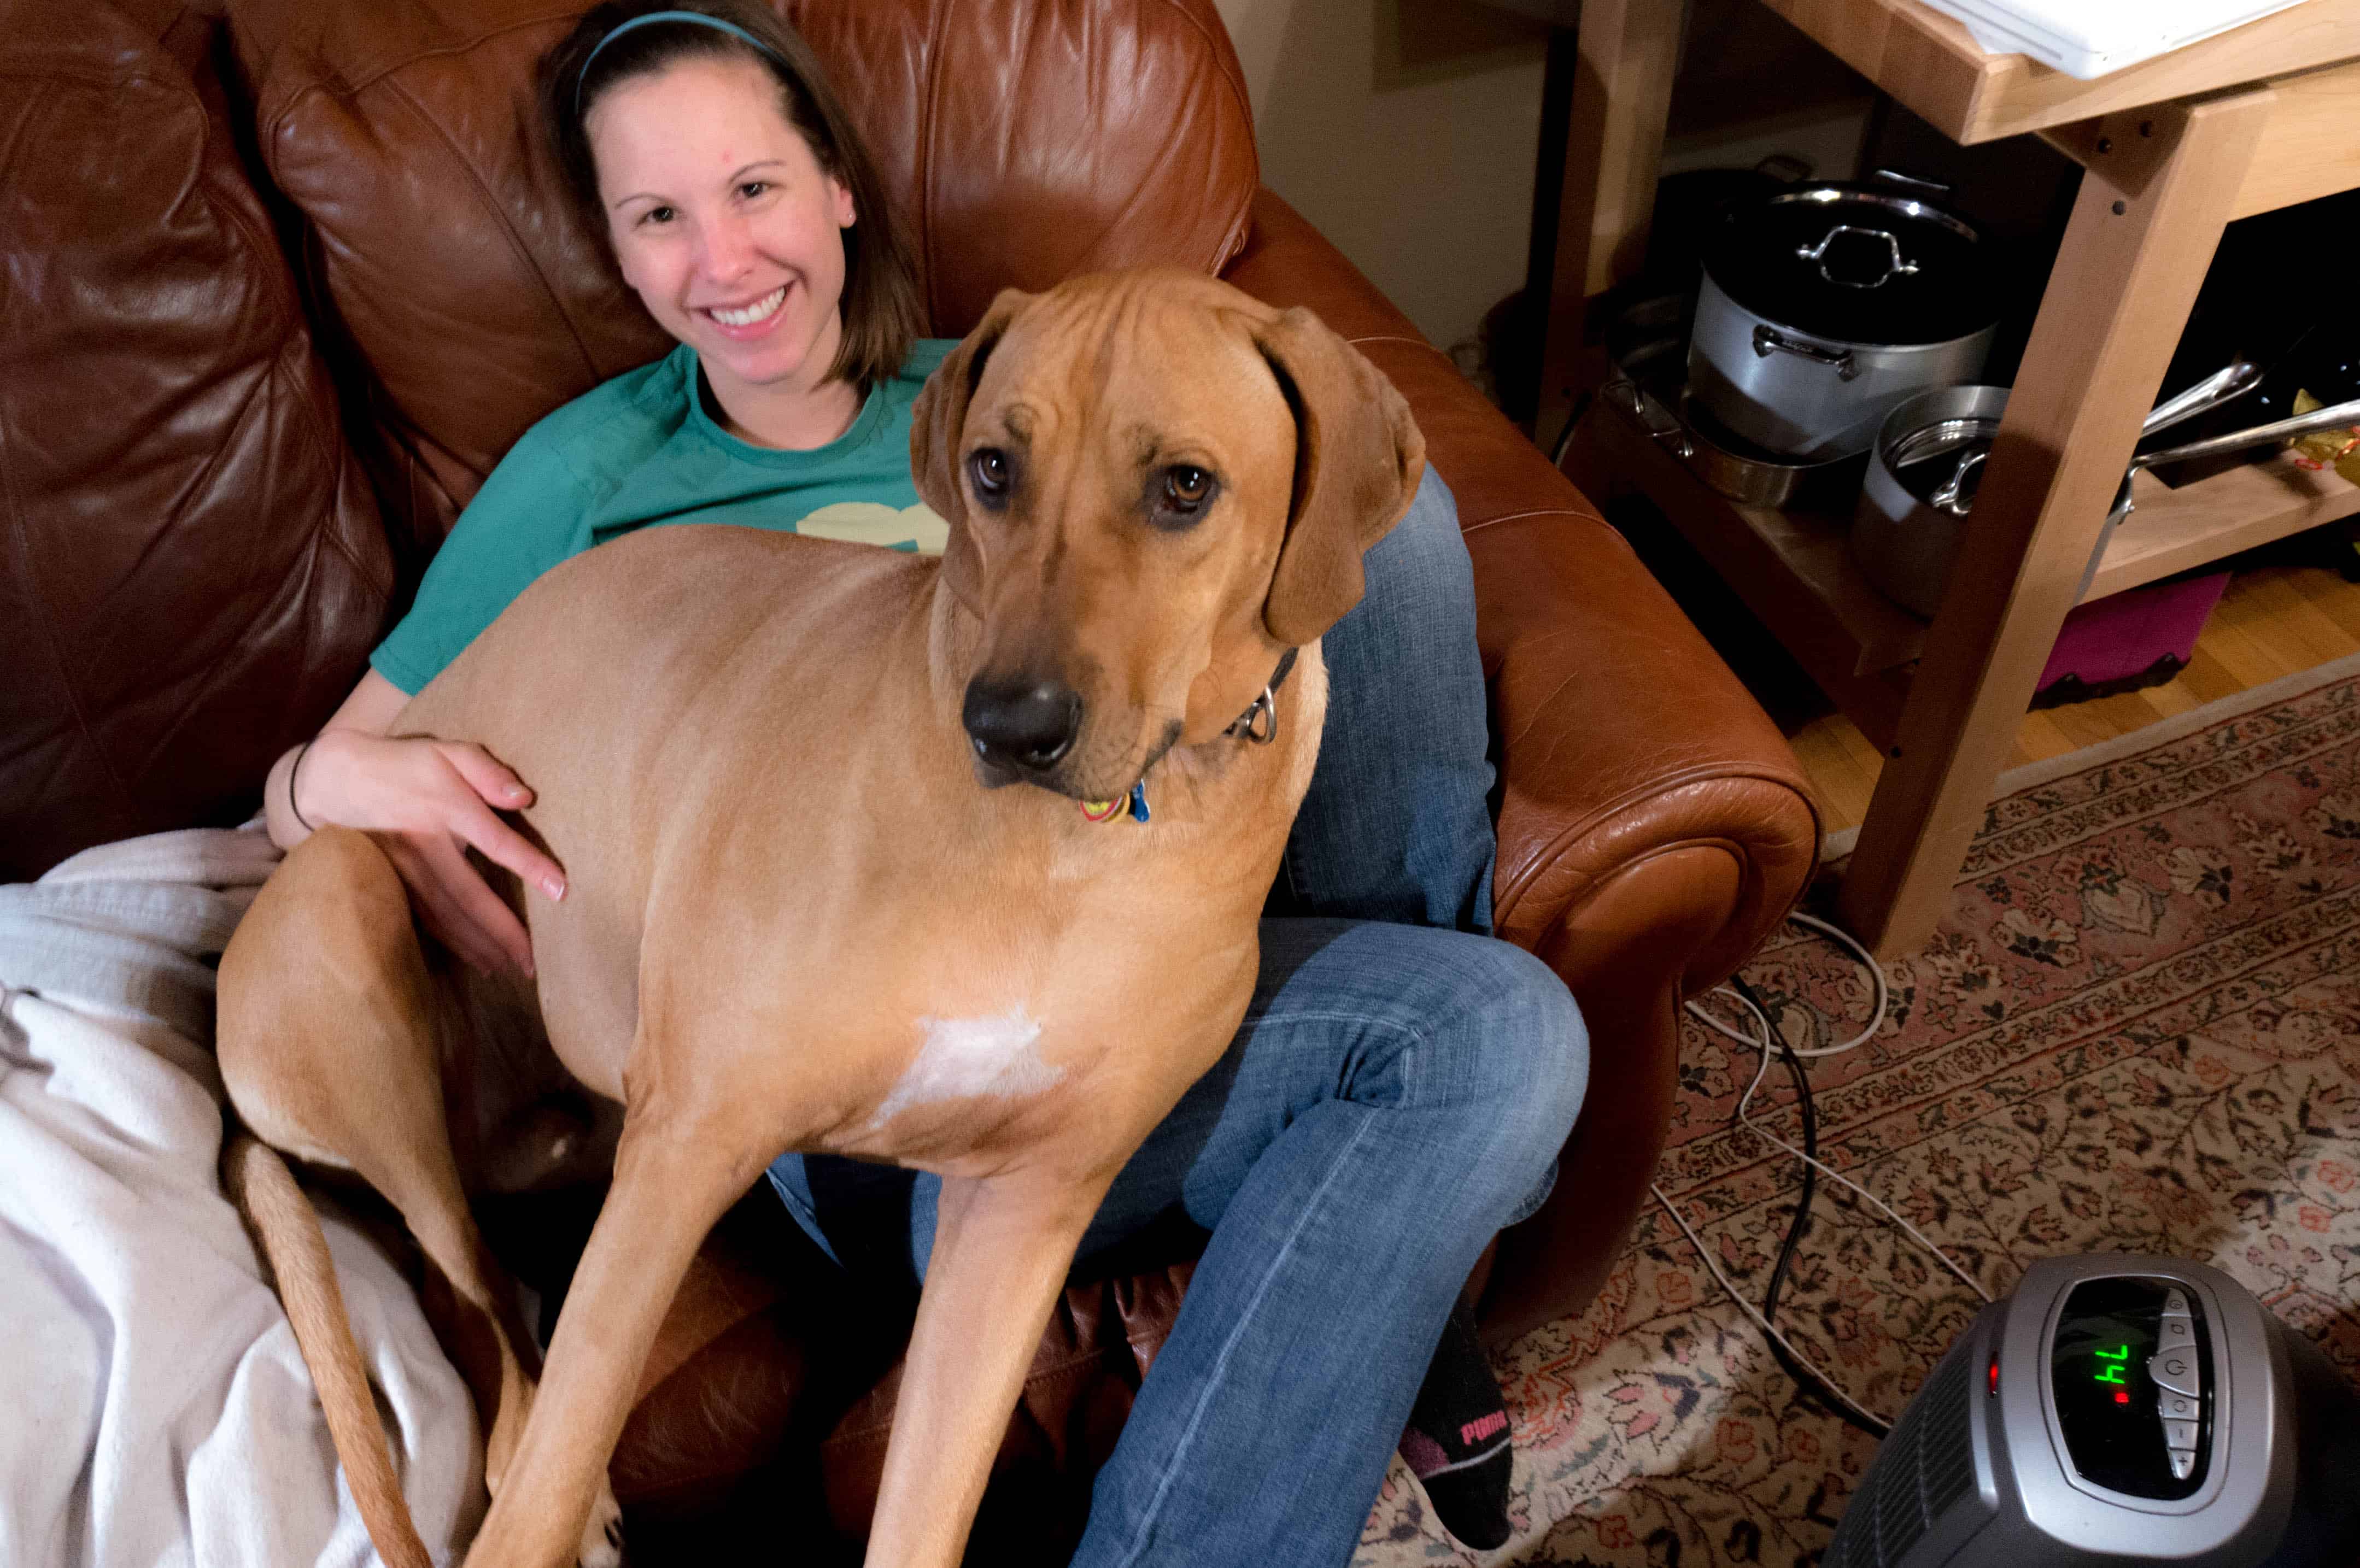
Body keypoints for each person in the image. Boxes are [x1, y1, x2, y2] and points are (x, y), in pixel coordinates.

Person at [257, 4, 1589, 1562]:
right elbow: (322, 778)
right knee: (1485, 1043)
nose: (723, 258)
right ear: (616, 258)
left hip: (1147, 921)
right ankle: (1408, 1244)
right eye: (657, 217)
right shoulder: (592, 471)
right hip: (843, 1016)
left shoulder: (1018, 377)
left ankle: (1403, 1211)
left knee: (1397, 565)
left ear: (838, 187)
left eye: (753, 188)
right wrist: (342, 782)